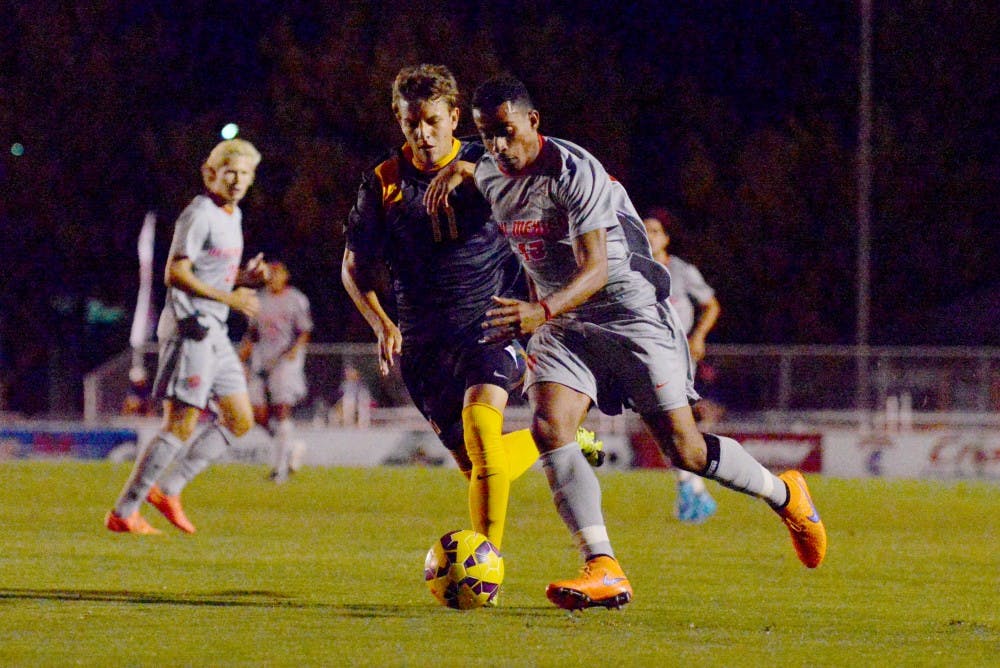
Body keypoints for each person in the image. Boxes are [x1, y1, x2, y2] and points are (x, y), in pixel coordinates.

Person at [425, 76, 826, 611]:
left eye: (506, 131)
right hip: (566, 325)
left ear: (533, 122)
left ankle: (786, 494)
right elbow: (480, 166)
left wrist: (538, 311)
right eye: (486, 135)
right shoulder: (491, 170)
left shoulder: (574, 172)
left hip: (629, 314)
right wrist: (460, 167)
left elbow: (596, 269)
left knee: (684, 450)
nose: (498, 145)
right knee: (549, 426)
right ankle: (602, 564)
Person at [341, 64, 602, 552]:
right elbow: (353, 267)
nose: (423, 134)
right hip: (423, 344)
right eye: (411, 123)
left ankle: (486, 564)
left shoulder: (492, 161)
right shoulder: (384, 181)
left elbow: (546, 180)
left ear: (454, 117)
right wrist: (381, 323)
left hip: (491, 323)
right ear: (398, 120)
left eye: (433, 122)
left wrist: (474, 171)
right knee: (478, 464)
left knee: (482, 432)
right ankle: (562, 438)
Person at [105, 138, 268, 535]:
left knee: (239, 419)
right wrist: (231, 297)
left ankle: (168, 490)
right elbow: (175, 273)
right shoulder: (198, 215)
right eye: (230, 171)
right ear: (210, 173)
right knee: (180, 423)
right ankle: (124, 512)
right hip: (189, 328)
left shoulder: (233, 215)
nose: (237, 180)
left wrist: (245, 279)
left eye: (245, 173)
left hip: (214, 331)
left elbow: (212, 272)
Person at [643, 213, 721, 523]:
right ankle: (693, 487)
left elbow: (711, 305)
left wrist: (698, 336)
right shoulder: (634, 268)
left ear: (666, 238)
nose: (649, 235)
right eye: (644, 230)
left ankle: (692, 486)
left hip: (677, 354)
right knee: (663, 422)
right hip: (646, 354)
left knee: (674, 420)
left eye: (655, 231)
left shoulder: (681, 270)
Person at [239, 261, 313, 483]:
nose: (273, 277)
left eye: (277, 273)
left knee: (281, 410)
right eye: (270, 274)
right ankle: (291, 447)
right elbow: (252, 333)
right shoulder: (259, 300)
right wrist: (241, 358)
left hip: (285, 361)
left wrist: (294, 351)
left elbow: (304, 330)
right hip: (261, 360)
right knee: (256, 413)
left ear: (285, 276)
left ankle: (279, 470)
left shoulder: (296, 299)